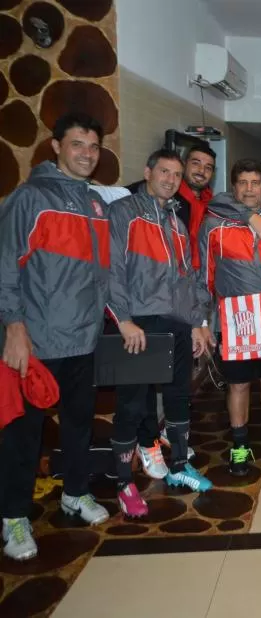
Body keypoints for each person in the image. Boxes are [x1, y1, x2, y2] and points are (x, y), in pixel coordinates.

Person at [1, 113, 112, 560]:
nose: (87, 154)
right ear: (56, 146)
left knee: (79, 424)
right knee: (22, 433)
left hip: (84, 339)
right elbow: (7, 267)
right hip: (37, 341)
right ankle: (12, 517)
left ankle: (76, 492)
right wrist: (14, 329)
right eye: (77, 145)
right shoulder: (31, 198)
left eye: (93, 146)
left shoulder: (94, 203)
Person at [106, 149, 215, 516]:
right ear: (147, 171)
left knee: (177, 395)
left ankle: (180, 466)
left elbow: (187, 278)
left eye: (176, 174)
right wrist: (123, 319)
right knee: (132, 405)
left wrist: (198, 323)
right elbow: (111, 271)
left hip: (177, 323)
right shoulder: (124, 213)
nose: (170, 179)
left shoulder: (176, 222)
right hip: (139, 322)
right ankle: (124, 485)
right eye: (164, 171)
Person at [199, 159, 261, 476]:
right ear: (234, 186)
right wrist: (204, 322)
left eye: (256, 183)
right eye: (243, 182)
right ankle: (240, 443)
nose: (250, 188)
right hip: (235, 321)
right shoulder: (215, 223)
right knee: (238, 385)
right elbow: (205, 276)